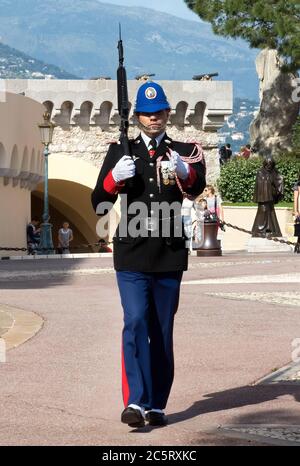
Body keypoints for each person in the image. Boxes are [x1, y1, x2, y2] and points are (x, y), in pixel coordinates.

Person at [91, 81, 206, 428]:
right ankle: (136, 402)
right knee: (136, 320)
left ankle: (156, 403)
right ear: (137, 116)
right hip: (132, 253)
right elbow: (99, 203)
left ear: (167, 114)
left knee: (161, 330)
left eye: (158, 113)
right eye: (146, 113)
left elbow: (197, 186)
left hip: (168, 253)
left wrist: (186, 173)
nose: (153, 118)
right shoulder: (120, 151)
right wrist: (114, 178)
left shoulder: (184, 150)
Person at [251, 158, 283, 237]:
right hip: (263, 197)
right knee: (263, 211)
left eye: (271, 164)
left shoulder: (274, 172)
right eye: (267, 164)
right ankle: (259, 230)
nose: (269, 166)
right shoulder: (260, 172)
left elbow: (278, 179)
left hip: (270, 196)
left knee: (271, 212)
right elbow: (260, 184)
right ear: (264, 164)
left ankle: (272, 229)